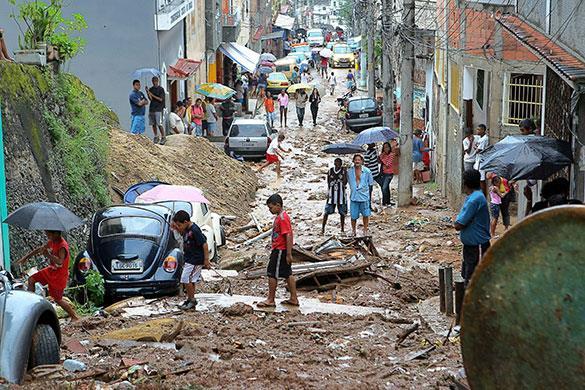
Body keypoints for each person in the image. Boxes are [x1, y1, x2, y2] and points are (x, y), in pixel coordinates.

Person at [16, 231, 78, 321]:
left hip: (59, 275)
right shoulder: (53, 241)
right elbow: (40, 249)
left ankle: (74, 316)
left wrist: (48, 255)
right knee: (31, 280)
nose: (47, 236)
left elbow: (60, 261)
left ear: (56, 234)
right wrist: (25, 258)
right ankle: (30, 304)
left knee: (58, 299)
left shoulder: (62, 246)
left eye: (49, 234)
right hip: (51, 270)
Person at [257, 194, 298, 308]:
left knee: (272, 273)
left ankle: (271, 299)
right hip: (281, 249)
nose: (270, 210)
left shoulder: (282, 218)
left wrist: (289, 253)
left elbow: (288, 235)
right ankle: (293, 298)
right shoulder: (280, 217)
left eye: (271, 208)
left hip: (280, 250)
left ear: (278, 205)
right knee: (287, 273)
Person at [454, 169, 491, 287]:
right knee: (468, 275)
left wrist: (457, 222)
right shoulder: (475, 196)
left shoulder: (474, 200)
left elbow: (458, 225)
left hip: (477, 245)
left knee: (473, 280)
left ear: (465, 183)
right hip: (472, 245)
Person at [171, 210, 210, 310]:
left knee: (185, 278)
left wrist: (206, 260)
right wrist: (176, 228)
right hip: (189, 258)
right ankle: (190, 299)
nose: (179, 227)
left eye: (179, 225)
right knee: (190, 279)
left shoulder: (195, 230)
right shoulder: (186, 230)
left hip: (196, 259)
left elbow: (204, 244)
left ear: (185, 222)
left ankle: (192, 300)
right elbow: (181, 236)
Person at [347, 154, 374, 237]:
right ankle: (353, 231)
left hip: (364, 196)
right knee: (353, 215)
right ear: (353, 161)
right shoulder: (349, 172)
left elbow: (370, 184)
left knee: (366, 214)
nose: (357, 161)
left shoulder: (367, 171)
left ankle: (365, 230)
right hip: (354, 196)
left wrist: (369, 197)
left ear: (362, 161)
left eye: (359, 160)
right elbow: (346, 182)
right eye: (355, 160)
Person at [322, 158, 348, 235]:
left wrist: (344, 173)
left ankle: (342, 229)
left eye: (339, 163)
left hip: (341, 195)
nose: (338, 164)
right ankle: (323, 228)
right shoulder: (330, 171)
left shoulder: (343, 171)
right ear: (334, 163)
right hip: (332, 195)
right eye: (336, 162)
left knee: (342, 213)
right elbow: (328, 183)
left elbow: (345, 183)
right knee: (327, 212)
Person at [146, 76, 166, 144]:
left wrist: (152, 95)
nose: (154, 82)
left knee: (159, 123)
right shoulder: (151, 89)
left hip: (159, 108)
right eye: (153, 81)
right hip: (152, 108)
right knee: (153, 123)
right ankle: (156, 136)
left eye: (155, 81)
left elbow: (161, 99)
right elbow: (150, 99)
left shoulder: (161, 89)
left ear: (158, 81)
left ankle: (163, 136)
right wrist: (148, 92)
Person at [379, 141, 398, 206]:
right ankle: (387, 202)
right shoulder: (383, 154)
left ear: (389, 148)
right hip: (383, 173)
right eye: (384, 148)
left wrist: (382, 158)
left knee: (384, 188)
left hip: (389, 174)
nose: (386, 149)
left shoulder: (392, 154)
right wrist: (381, 156)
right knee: (386, 188)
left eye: (387, 147)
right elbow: (379, 160)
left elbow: (388, 164)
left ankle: (385, 202)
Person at [474, 124, 489, 194]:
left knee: (482, 179)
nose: (477, 131)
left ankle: (483, 195)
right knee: (478, 178)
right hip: (478, 160)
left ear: (483, 130)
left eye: (479, 129)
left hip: (481, 161)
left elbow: (478, 150)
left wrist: (476, 148)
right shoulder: (480, 138)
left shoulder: (484, 139)